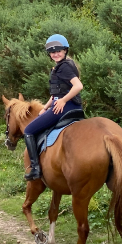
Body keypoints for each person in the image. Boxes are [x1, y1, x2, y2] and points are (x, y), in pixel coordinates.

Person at [23, 34, 84, 181]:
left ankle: (35, 168)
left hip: (64, 107)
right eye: (52, 52)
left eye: (59, 51)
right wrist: (45, 106)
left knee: (28, 130)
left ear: (65, 51)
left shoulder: (64, 68)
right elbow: (57, 93)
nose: (55, 54)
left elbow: (78, 86)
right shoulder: (63, 66)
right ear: (49, 54)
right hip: (69, 106)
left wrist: (62, 101)